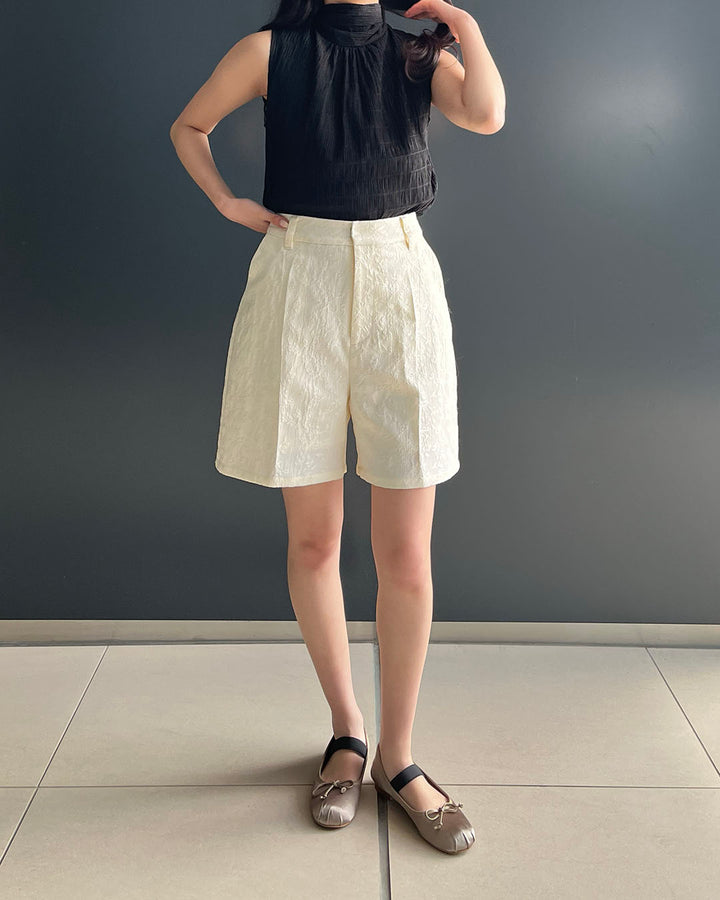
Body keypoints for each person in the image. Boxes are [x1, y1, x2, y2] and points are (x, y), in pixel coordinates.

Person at [170, 0, 505, 854]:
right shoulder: (268, 52)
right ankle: (347, 735)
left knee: (407, 555)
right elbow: (189, 126)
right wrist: (228, 202)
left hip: (401, 284)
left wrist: (463, 25)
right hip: (300, 281)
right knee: (316, 542)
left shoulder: (417, 54)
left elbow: (487, 114)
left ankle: (400, 758)